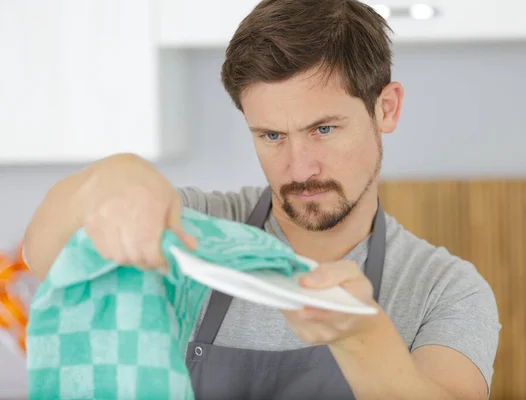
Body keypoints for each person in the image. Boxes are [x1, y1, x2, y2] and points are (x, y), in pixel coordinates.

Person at [23, 0, 501, 398]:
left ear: (386, 108)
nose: (299, 168)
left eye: (324, 129)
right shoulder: (194, 232)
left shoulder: (445, 289)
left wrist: (361, 335)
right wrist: (113, 177)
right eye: (272, 135)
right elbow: (42, 254)